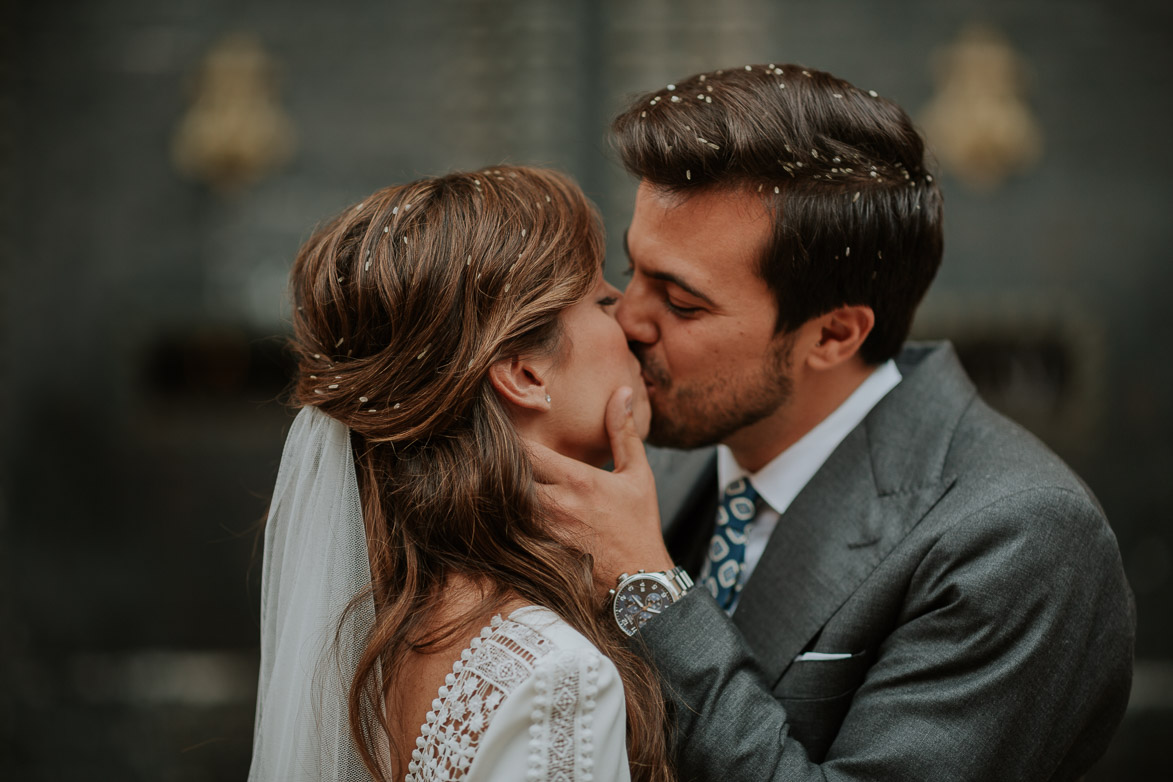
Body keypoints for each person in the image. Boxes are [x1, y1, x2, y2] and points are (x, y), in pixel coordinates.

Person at [530, 64, 1136, 781]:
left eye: (683, 304)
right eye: (632, 270)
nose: (628, 319)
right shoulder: (660, 447)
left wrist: (649, 588)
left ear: (835, 335)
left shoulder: (1020, 539)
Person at [247, 166, 675, 782]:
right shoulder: (554, 679)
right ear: (525, 373)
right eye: (605, 301)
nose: (632, 322)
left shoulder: (376, 632)